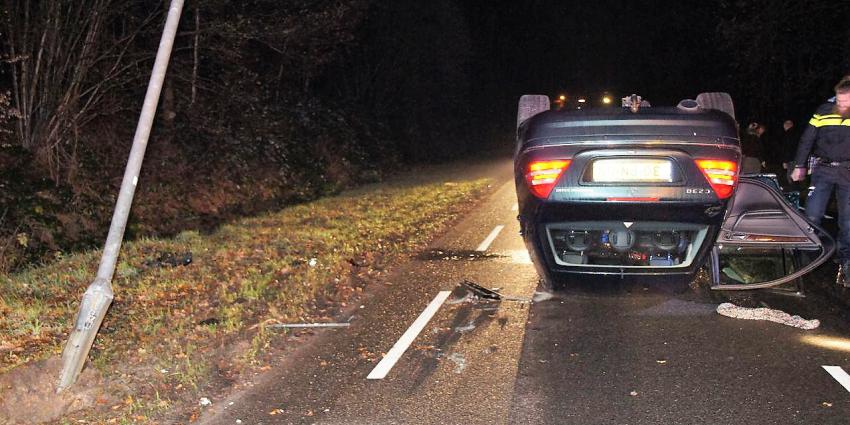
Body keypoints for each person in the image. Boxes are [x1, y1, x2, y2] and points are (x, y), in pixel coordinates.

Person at [791, 75, 850, 285]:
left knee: (847, 221)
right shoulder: (823, 110)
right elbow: (808, 138)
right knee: (813, 215)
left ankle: (846, 263)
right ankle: (807, 258)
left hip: (847, 172)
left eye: (845, 101)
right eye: (838, 100)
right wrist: (799, 165)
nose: (840, 104)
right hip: (823, 170)